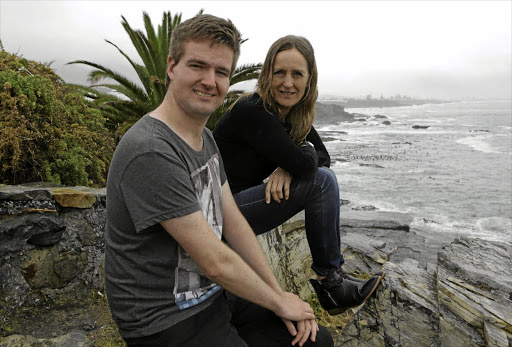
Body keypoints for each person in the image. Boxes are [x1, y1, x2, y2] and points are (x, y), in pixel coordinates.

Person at [104, 15, 333, 347]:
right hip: (166, 319)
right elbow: (213, 259)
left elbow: (233, 221)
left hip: (214, 295)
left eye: (221, 72)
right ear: (171, 66)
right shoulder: (150, 151)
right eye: (198, 66)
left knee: (316, 341)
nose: (210, 81)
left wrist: (277, 292)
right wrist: (278, 302)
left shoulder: (205, 139)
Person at [213, 35, 385, 316]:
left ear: (309, 79)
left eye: (297, 74)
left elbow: (323, 158)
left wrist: (287, 166)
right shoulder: (254, 110)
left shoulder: (292, 116)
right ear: (267, 74)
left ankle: (334, 280)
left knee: (322, 176)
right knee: (322, 182)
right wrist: (294, 161)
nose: (287, 82)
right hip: (218, 212)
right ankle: (331, 282)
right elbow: (309, 167)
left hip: (237, 208)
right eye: (279, 72)